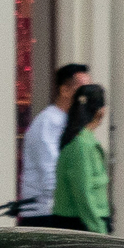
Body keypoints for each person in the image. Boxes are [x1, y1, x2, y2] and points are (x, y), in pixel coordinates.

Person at [19, 62, 94, 224]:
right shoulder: (48, 122)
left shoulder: (71, 123)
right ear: (65, 90)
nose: (87, 96)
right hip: (44, 214)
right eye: (82, 90)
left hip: (63, 211)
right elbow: (50, 170)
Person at [50, 83, 111, 234]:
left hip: (82, 221)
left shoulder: (82, 141)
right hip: (81, 224)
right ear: (101, 111)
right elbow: (83, 191)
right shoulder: (81, 145)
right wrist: (98, 229)